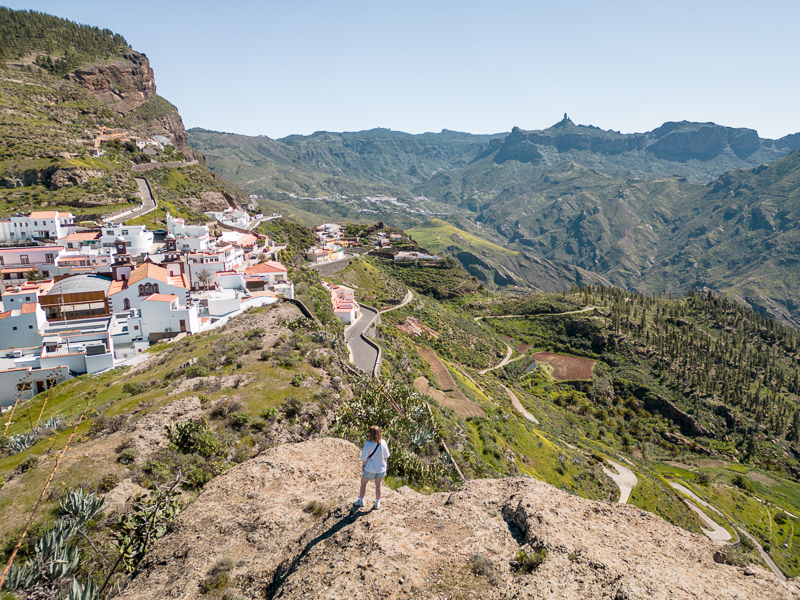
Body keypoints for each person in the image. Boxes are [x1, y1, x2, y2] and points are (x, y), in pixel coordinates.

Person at [353, 425, 390, 510]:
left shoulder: (368, 444)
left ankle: (361, 500)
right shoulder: (383, 442)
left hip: (370, 469)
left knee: (363, 483)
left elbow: (364, 457)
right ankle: (377, 502)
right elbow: (386, 456)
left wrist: (364, 465)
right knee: (378, 485)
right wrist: (385, 465)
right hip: (381, 468)